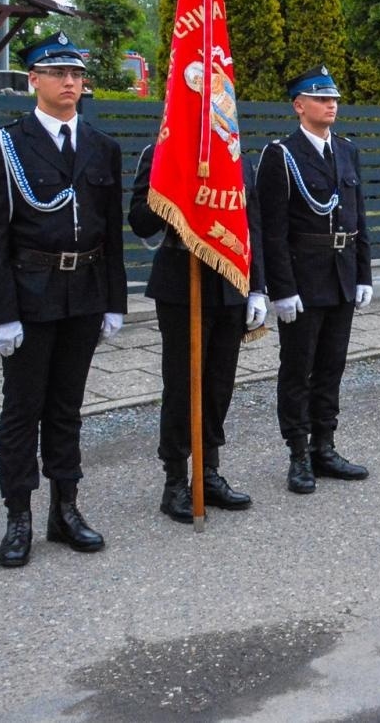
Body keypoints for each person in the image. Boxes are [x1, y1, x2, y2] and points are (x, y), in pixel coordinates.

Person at [0, 32, 126, 568]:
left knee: (67, 408)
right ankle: (19, 516)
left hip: (83, 292)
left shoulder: (102, 147)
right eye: (57, 73)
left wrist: (114, 300)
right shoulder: (4, 146)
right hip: (30, 293)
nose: (69, 82)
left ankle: (66, 508)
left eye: (77, 74)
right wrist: (1, 314)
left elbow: (109, 234)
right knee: (22, 409)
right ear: (32, 79)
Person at [130, 141, 266, 523]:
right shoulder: (162, 151)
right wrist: (175, 190)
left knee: (219, 384)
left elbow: (251, 223)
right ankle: (174, 480)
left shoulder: (238, 156)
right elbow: (140, 220)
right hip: (181, 282)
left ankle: (207, 471)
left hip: (230, 283)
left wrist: (258, 287)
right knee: (183, 384)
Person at [258, 66, 373, 494]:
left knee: (331, 367)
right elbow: (273, 229)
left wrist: (363, 272)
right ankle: (298, 453)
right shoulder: (281, 155)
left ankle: (325, 446)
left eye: (334, 99)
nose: (331, 105)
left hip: (341, 273)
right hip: (304, 279)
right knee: (298, 369)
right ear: (298, 106)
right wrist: (281, 289)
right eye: (321, 98)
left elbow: (358, 216)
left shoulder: (346, 151)